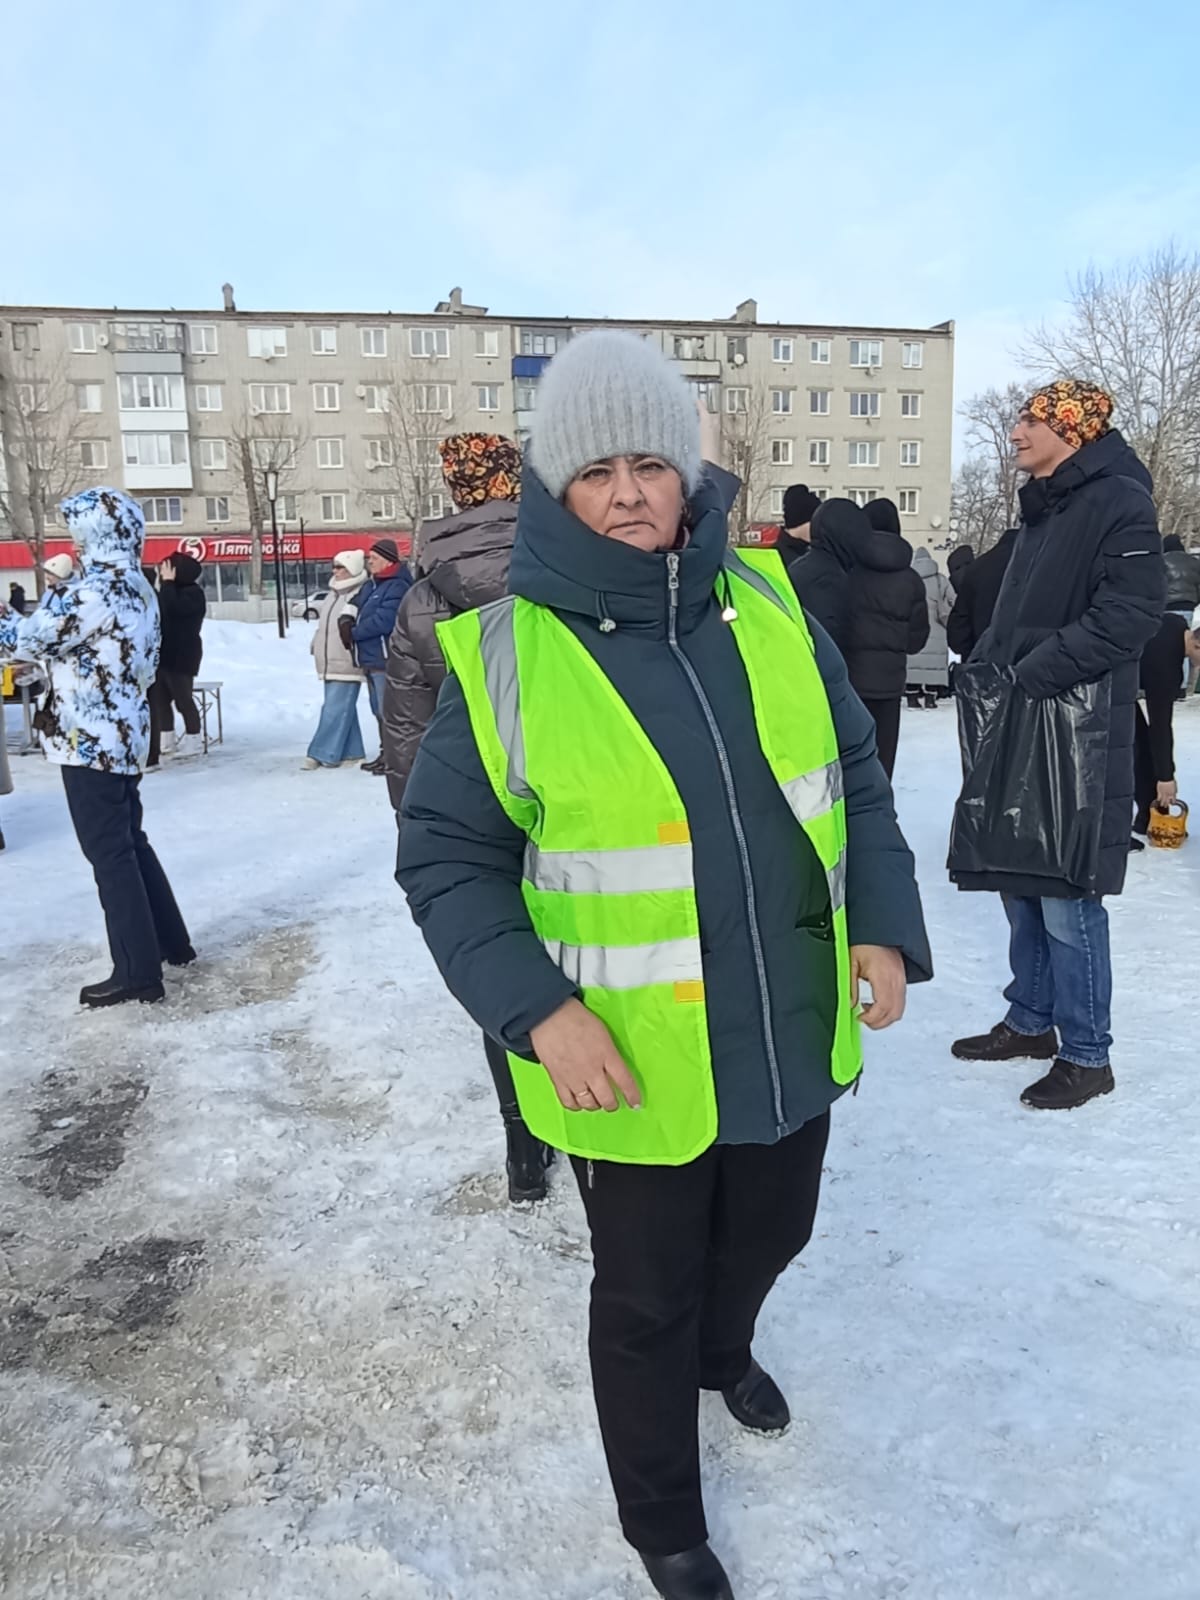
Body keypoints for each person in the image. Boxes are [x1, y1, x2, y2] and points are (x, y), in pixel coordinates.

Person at [396, 331, 931, 1599]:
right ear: (555, 488)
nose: (634, 490)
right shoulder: (508, 655)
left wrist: (886, 923)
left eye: (654, 461)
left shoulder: (770, 604)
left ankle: (724, 1347)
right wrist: (536, 1012)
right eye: (600, 469)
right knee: (643, 1297)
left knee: (773, 1229)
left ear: (690, 473)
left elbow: (852, 775)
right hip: (629, 1060)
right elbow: (448, 866)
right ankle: (665, 1525)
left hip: (792, 1020)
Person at [950, 380, 1163, 1110]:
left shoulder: (1120, 502)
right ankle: (1032, 1021)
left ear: (1069, 430)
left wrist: (1031, 672)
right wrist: (989, 664)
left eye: (1028, 420)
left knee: (1069, 896)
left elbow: (1128, 617)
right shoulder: (1048, 507)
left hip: (1077, 728)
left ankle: (1087, 1053)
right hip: (1023, 715)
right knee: (1021, 876)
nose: (1013, 433)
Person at [380, 432, 548, 1202]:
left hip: (473, 813)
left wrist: (423, 833)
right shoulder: (566, 563)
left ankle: (523, 1145)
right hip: (570, 798)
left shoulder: (424, 597)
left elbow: (408, 727)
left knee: (502, 964)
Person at [0, 488, 193, 1005]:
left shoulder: (91, 591)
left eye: (76, 530)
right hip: (125, 733)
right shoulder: (137, 585)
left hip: (87, 739)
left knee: (109, 851)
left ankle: (137, 971)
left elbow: (24, 640)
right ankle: (171, 942)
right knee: (130, 840)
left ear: (92, 534)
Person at [855, 498, 931, 778]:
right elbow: (916, 642)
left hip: (847, 684)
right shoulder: (911, 580)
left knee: (850, 767)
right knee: (882, 767)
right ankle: (881, 819)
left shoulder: (847, 570)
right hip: (888, 687)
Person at [347, 536, 411, 774]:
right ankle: (386, 753)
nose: (369, 562)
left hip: (386, 659)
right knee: (378, 710)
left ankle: (395, 758)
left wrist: (353, 632)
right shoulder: (373, 584)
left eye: (373, 558)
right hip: (371, 659)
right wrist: (347, 615)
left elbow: (385, 621)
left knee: (388, 711)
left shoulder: (397, 585)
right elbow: (355, 603)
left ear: (387, 560)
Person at [1131, 611, 1192, 847]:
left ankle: (1148, 814)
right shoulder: (1166, 668)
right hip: (1102, 682)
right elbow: (1160, 726)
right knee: (1137, 747)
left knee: (1141, 742)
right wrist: (1166, 777)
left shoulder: (1175, 622)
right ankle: (1147, 815)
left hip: (1108, 673)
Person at [303, 551, 368, 770]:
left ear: (353, 569)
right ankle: (353, 752)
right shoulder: (333, 592)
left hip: (346, 659)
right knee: (342, 707)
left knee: (334, 707)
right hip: (329, 659)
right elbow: (325, 626)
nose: (335, 571)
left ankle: (321, 752)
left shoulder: (359, 593)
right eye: (334, 566)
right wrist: (316, 643)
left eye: (341, 567)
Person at [150, 552, 206, 761]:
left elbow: (172, 608)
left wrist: (168, 584)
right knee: (160, 700)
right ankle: (167, 738)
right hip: (163, 654)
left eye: (167, 568)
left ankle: (194, 739)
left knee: (183, 699)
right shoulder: (167, 590)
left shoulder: (193, 593)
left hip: (182, 655)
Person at [946, 528, 1018, 663]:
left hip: (982, 663)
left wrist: (972, 656)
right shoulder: (1042, 567)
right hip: (1031, 667)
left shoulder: (977, 569)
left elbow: (958, 630)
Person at [906, 547, 952, 708]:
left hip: (914, 627)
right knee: (934, 664)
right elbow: (953, 599)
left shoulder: (909, 578)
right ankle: (931, 698)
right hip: (937, 628)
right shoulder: (941, 580)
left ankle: (912, 697)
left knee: (913, 663)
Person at [774, 483, 821, 572]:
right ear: (802, 523)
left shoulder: (816, 553)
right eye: (815, 522)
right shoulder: (775, 558)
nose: (818, 527)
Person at [1162, 534, 1200, 615]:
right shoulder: (1194, 561)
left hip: (1167, 604)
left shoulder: (1161, 561)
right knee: (1183, 627)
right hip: (1188, 604)